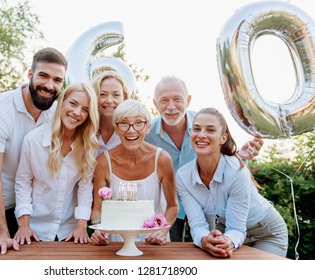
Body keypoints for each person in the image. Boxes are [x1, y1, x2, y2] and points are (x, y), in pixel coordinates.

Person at [0, 47, 67, 255]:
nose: (49, 85)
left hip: (25, 207)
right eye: (43, 76)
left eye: (57, 80)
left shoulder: (56, 112)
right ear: (30, 75)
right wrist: (1, 233)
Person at [145, 76, 264, 242]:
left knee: (208, 246)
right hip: (169, 205)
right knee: (170, 251)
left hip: (206, 203)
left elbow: (223, 158)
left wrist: (240, 157)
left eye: (177, 99)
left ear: (188, 100)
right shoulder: (147, 133)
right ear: (155, 104)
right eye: (164, 100)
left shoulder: (205, 125)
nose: (171, 106)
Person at [176, 107, 288, 258]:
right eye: (196, 129)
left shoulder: (236, 171)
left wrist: (228, 240)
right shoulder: (183, 176)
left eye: (210, 130)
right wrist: (204, 240)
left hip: (265, 233)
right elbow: (197, 225)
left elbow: (237, 228)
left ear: (223, 138)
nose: (201, 135)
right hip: (227, 231)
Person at [13, 82, 99, 244]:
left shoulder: (88, 145)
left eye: (85, 109)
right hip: (35, 229)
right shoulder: (33, 140)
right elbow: (23, 182)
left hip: (70, 230)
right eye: (73, 104)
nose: (76, 112)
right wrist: (23, 224)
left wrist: (82, 225)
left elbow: (85, 187)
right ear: (62, 102)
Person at [90, 99, 179, 245]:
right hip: (115, 244)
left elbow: (173, 205)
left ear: (147, 127)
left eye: (139, 123)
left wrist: (162, 231)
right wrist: (98, 228)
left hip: (154, 241)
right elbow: (97, 209)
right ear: (116, 129)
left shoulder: (162, 159)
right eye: (124, 123)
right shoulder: (104, 162)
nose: (131, 130)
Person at [92, 71, 130, 157]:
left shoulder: (131, 131)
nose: (109, 100)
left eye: (116, 95)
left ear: (124, 97)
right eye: (103, 94)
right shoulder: (83, 128)